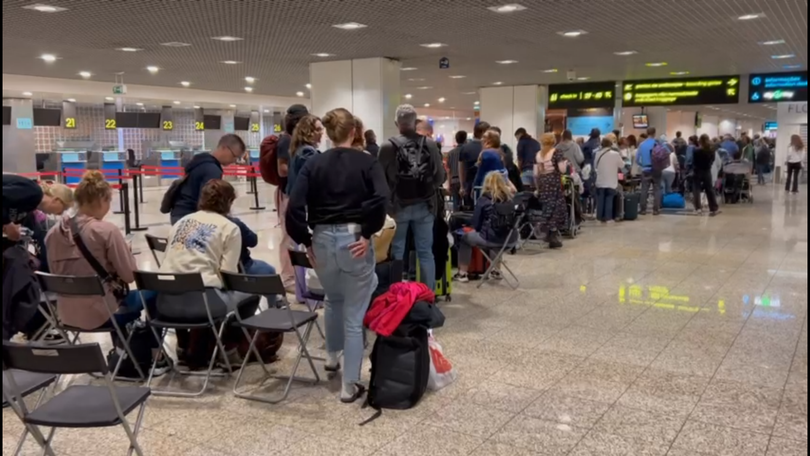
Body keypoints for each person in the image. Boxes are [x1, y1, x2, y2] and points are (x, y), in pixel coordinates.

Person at [286, 108, 389, 403]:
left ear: (328, 134)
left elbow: (293, 205)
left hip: (321, 238)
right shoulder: (367, 162)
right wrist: (368, 232)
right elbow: (382, 197)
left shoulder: (313, 163)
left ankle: (331, 357)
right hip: (353, 238)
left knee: (332, 299)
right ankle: (350, 384)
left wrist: (306, 241)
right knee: (354, 317)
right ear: (353, 132)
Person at [45, 171, 169, 371]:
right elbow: (130, 276)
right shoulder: (105, 231)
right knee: (154, 293)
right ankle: (155, 353)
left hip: (66, 313)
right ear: (102, 199)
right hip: (103, 312)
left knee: (111, 295)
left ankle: (122, 350)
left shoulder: (52, 233)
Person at [161, 179, 254, 321]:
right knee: (252, 295)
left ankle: (183, 342)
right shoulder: (229, 228)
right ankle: (234, 341)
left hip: (165, 302)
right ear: (229, 202)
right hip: (205, 302)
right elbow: (228, 275)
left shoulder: (181, 222)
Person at [378, 105, 445, 292]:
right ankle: (427, 297)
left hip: (397, 207)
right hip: (425, 205)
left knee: (397, 251)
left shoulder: (386, 147)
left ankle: (395, 297)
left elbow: (379, 179)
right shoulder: (430, 144)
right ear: (415, 123)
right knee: (425, 252)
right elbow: (440, 177)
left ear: (396, 123)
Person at [170, 134, 246, 225]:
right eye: (234, 156)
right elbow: (208, 204)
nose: (234, 161)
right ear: (224, 148)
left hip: (178, 214)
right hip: (191, 218)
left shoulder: (199, 161)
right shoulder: (212, 170)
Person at [455, 172, 517, 282]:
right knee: (499, 235)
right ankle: (496, 270)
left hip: (491, 239)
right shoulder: (510, 200)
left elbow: (476, 224)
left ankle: (462, 273)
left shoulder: (484, 200)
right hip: (511, 240)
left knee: (464, 238)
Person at [534, 133, 568, 249]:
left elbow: (535, 173)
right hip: (554, 182)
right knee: (556, 208)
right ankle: (553, 235)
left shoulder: (538, 154)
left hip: (543, 183)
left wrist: (537, 187)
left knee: (547, 207)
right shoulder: (556, 152)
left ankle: (547, 232)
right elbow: (562, 170)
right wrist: (565, 163)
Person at [286, 114, 324, 195]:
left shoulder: (297, 148)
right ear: (308, 132)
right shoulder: (307, 151)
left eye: (321, 129)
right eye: (318, 129)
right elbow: (314, 178)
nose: (322, 132)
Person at [459, 121, 490, 207]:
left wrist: (462, 186)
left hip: (470, 185)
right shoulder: (490, 148)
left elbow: (462, 169)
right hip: (487, 186)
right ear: (483, 132)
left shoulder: (465, 148)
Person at [595, 135, 624, 223]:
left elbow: (594, 166)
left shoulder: (597, 153)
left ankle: (599, 217)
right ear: (611, 144)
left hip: (600, 180)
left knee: (600, 199)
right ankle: (608, 218)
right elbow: (622, 165)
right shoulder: (615, 154)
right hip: (611, 181)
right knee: (609, 198)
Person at [635, 127, 663, 215]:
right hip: (656, 169)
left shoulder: (642, 144)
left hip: (645, 169)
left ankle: (643, 209)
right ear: (654, 133)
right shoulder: (658, 143)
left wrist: (643, 164)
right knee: (657, 189)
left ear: (647, 133)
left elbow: (637, 159)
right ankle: (656, 209)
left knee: (644, 189)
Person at [692, 135, 721, 216]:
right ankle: (713, 208)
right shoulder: (712, 151)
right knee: (709, 189)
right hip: (707, 171)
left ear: (700, 141)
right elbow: (712, 160)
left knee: (696, 189)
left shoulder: (696, 151)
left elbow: (694, 161)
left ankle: (698, 208)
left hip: (697, 171)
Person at [447, 130, 467, 210]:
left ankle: (455, 220)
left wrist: (449, 184)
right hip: (465, 181)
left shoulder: (450, 153)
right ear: (465, 139)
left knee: (455, 202)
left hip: (454, 181)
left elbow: (449, 170)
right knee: (466, 203)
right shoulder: (467, 151)